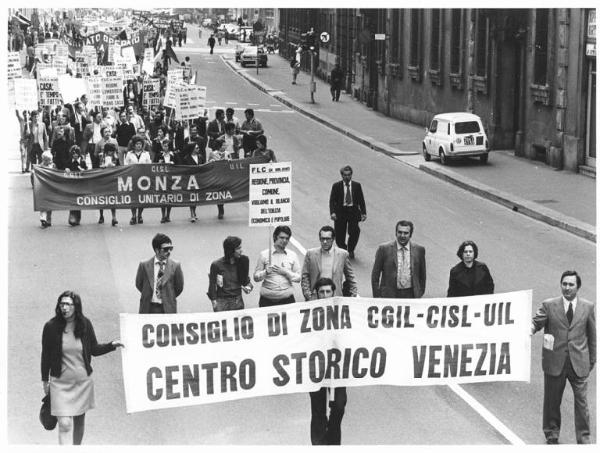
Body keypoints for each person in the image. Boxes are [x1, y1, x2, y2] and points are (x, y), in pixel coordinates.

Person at [41, 290, 123, 445]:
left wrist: (112, 345)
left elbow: (94, 349)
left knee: (79, 422)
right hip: (60, 383)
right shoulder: (51, 326)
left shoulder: (85, 324)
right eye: (62, 303)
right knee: (65, 425)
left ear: (76, 307)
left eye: (68, 304)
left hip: (82, 382)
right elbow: (45, 356)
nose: (64, 307)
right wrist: (45, 380)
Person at [531, 270, 596, 444]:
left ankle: (584, 439)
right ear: (561, 285)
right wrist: (528, 330)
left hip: (579, 363)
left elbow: (592, 336)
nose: (567, 288)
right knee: (552, 401)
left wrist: (591, 361)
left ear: (578, 287)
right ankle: (552, 434)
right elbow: (536, 322)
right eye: (564, 284)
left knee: (582, 404)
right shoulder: (549, 305)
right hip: (555, 362)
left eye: (571, 284)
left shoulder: (588, 307)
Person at [307, 277, 347, 445]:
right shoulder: (308, 313)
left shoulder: (343, 312)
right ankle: (318, 444)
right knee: (318, 411)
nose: (325, 295)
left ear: (333, 292)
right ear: (316, 294)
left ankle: (331, 438)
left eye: (328, 291)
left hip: (337, 369)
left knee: (339, 405)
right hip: (316, 368)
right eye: (321, 292)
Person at [371, 220, 426, 298]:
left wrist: (419, 292)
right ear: (395, 233)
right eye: (400, 232)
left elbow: (422, 275)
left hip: (411, 295)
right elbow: (375, 275)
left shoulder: (419, 250)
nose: (402, 235)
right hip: (389, 295)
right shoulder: (384, 249)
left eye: (406, 233)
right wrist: (377, 297)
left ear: (410, 234)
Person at [301, 225, 357, 301]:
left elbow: (350, 276)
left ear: (333, 239)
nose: (324, 242)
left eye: (327, 239)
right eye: (322, 239)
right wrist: (308, 295)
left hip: (335, 297)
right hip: (315, 298)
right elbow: (305, 276)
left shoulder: (343, 254)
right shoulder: (311, 254)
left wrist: (354, 293)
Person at [135, 233, 184, 314]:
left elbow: (179, 287)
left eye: (170, 249)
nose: (169, 252)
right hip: (148, 308)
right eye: (165, 249)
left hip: (167, 309)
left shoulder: (176, 266)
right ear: (157, 250)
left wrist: (168, 297)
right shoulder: (144, 265)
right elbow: (139, 284)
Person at [253, 225, 301, 307]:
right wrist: (265, 272)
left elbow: (298, 278)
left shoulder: (292, 255)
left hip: (287, 299)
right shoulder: (264, 254)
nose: (284, 240)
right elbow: (256, 278)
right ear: (275, 237)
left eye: (287, 238)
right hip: (267, 300)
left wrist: (286, 272)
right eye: (282, 237)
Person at [329, 165, 366, 259]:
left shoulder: (357, 186)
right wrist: (332, 212)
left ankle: (350, 249)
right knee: (339, 236)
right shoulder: (336, 186)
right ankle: (343, 249)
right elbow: (332, 200)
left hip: (352, 212)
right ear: (342, 175)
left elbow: (361, 200)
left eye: (349, 175)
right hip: (341, 212)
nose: (347, 177)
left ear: (351, 175)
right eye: (345, 175)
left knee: (355, 231)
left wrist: (363, 212)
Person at [207, 236, 253, 312]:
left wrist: (248, 288)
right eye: (238, 248)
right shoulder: (216, 265)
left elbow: (247, 282)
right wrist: (214, 302)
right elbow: (212, 285)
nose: (241, 251)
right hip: (222, 302)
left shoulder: (242, 262)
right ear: (230, 250)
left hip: (237, 301)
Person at [124, 136, 152, 225]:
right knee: (133, 198)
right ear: (134, 145)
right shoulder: (129, 154)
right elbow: (126, 166)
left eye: (140, 144)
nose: (139, 146)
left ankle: (140, 215)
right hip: (132, 178)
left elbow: (149, 166)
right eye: (137, 144)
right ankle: (133, 216)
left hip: (143, 179)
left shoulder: (146, 154)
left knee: (141, 198)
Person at [97, 142, 119, 227]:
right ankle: (101, 215)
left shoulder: (115, 156)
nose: (111, 153)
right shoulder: (101, 156)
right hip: (102, 179)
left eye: (112, 151)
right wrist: (101, 166)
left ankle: (114, 217)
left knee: (112, 199)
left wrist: (114, 164)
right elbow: (97, 166)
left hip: (112, 179)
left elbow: (119, 166)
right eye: (109, 151)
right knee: (101, 198)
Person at [65, 146, 87, 226]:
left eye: (77, 153)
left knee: (78, 201)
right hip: (71, 184)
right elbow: (66, 168)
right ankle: (72, 217)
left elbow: (87, 171)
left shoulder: (82, 162)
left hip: (80, 185)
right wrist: (66, 169)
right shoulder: (69, 161)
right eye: (73, 153)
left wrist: (83, 170)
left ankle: (77, 218)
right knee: (72, 201)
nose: (75, 155)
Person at [183, 143, 204, 222]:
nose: (198, 149)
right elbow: (184, 170)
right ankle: (192, 213)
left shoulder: (200, 157)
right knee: (192, 197)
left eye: (198, 148)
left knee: (196, 197)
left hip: (199, 179)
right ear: (192, 149)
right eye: (196, 148)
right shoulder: (186, 158)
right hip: (190, 180)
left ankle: (194, 212)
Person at [39, 151, 54, 228]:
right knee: (43, 204)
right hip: (43, 188)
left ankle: (48, 220)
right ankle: (43, 219)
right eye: (48, 160)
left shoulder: (53, 166)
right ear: (44, 160)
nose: (50, 161)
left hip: (51, 188)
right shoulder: (40, 167)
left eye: (50, 160)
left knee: (50, 205)